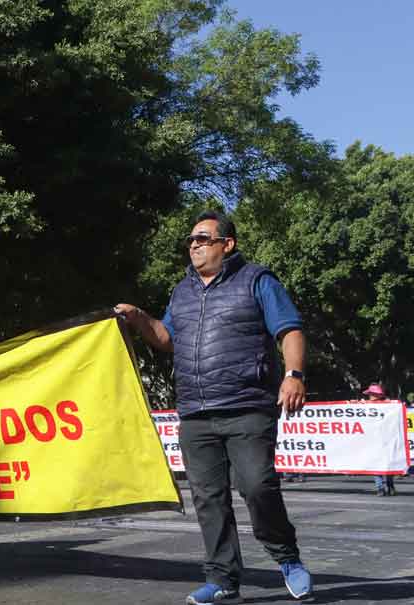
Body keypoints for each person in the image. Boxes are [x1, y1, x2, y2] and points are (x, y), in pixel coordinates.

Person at [115, 210, 313, 604]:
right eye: (191, 240)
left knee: (257, 486)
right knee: (208, 497)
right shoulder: (182, 291)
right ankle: (222, 579)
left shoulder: (257, 280)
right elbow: (167, 337)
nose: (193, 245)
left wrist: (294, 374)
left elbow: (289, 329)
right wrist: (138, 317)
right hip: (195, 412)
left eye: (203, 239)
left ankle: (287, 558)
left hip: (247, 405)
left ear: (228, 244)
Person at [362, 383, 397, 496]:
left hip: (386, 438)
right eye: (370, 394)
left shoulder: (388, 405)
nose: (371, 396)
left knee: (387, 464)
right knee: (377, 464)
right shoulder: (365, 405)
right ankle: (381, 487)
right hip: (373, 439)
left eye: (373, 394)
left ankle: (389, 485)